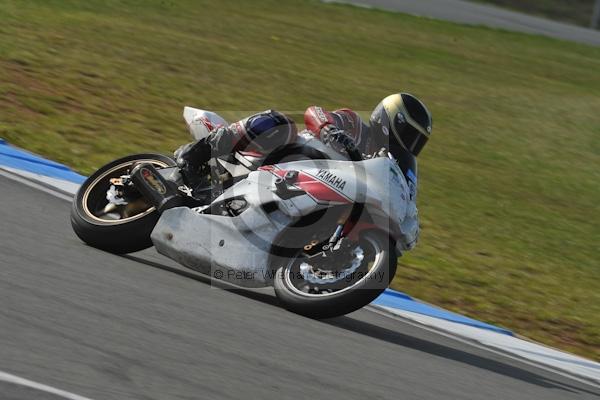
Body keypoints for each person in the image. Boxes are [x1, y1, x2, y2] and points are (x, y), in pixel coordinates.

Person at [174, 93, 432, 249]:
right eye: (410, 134)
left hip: (300, 195)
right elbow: (314, 112)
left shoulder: (384, 167)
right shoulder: (355, 125)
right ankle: (196, 154)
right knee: (281, 122)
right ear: (391, 119)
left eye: (416, 140)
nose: (410, 144)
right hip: (276, 159)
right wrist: (330, 130)